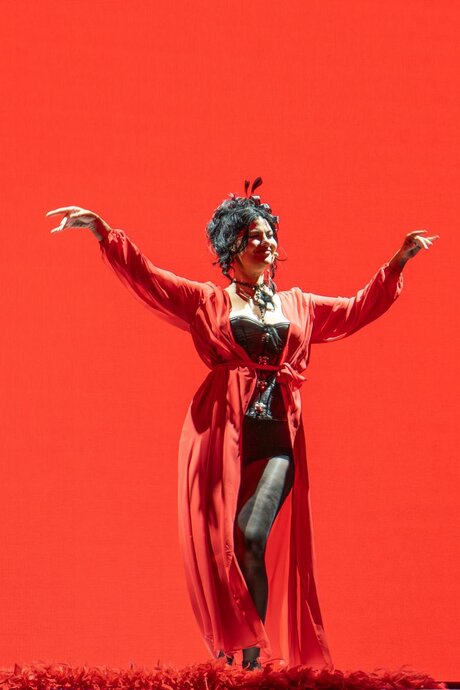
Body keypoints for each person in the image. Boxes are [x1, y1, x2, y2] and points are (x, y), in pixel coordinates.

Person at [47, 179, 439, 671]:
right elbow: (148, 278)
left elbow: (355, 310)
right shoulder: (206, 301)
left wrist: (397, 263)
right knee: (222, 547)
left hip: (277, 441)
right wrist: (103, 232)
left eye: (270, 235)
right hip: (220, 437)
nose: (267, 242)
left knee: (251, 537)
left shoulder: (297, 305)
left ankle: (253, 666)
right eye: (255, 235)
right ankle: (235, 661)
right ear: (232, 246)